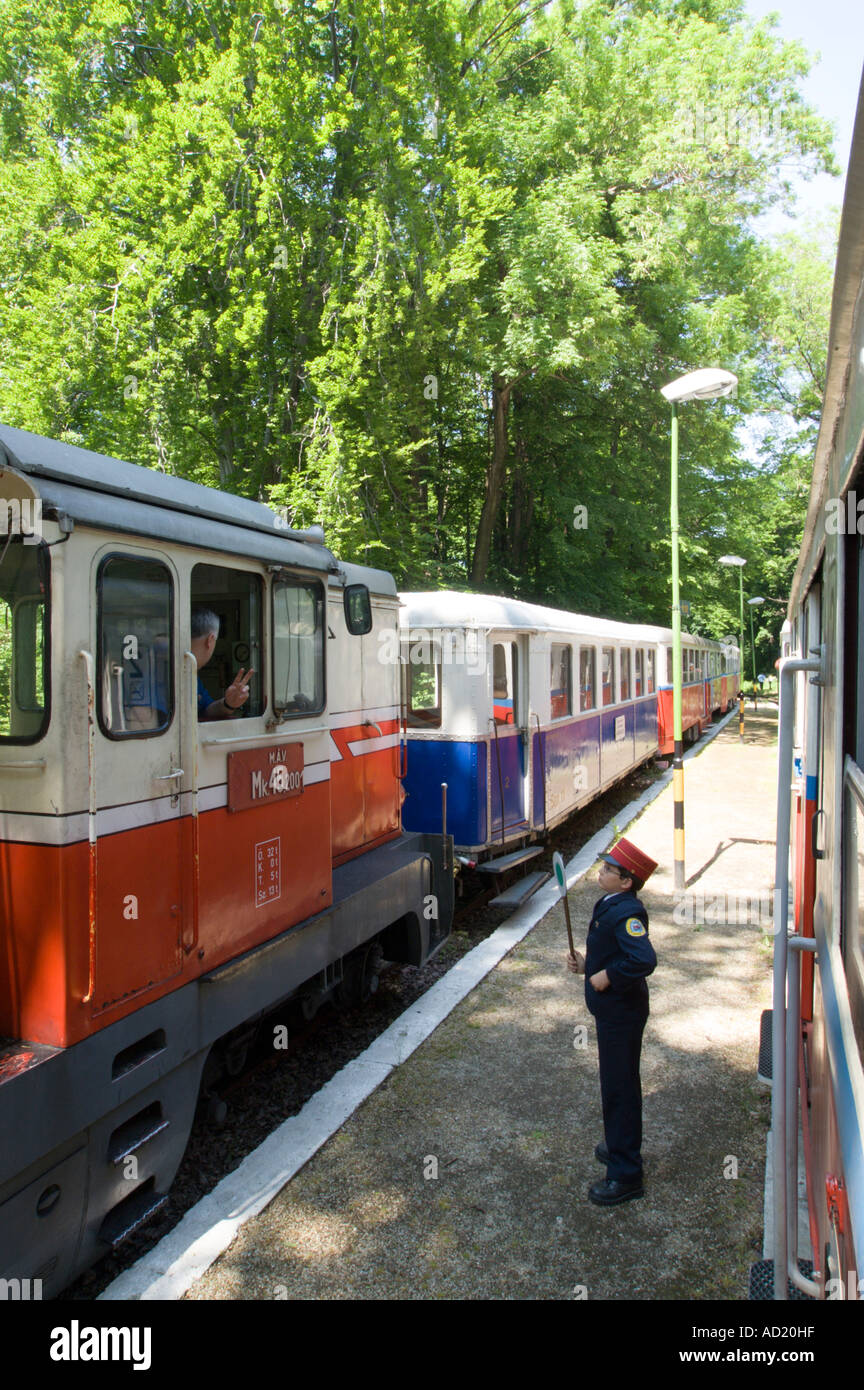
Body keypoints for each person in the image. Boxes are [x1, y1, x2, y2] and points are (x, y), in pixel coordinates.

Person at [568, 837, 658, 1206]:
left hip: (622, 1014)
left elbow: (643, 960)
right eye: (604, 866)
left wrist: (609, 976)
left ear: (626, 882)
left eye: (609, 870)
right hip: (611, 1012)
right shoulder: (609, 902)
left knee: (619, 1090)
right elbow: (612, 951)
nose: (601, 872)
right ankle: (618, 1144)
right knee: (616, 1084)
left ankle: (626, 1174)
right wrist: (589, 965)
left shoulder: (628, 913)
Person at [191, 607, 255, 721]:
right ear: (210, 640)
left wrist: (228, 703)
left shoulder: (192, 674)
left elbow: (206, 709)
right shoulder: (167, 670)